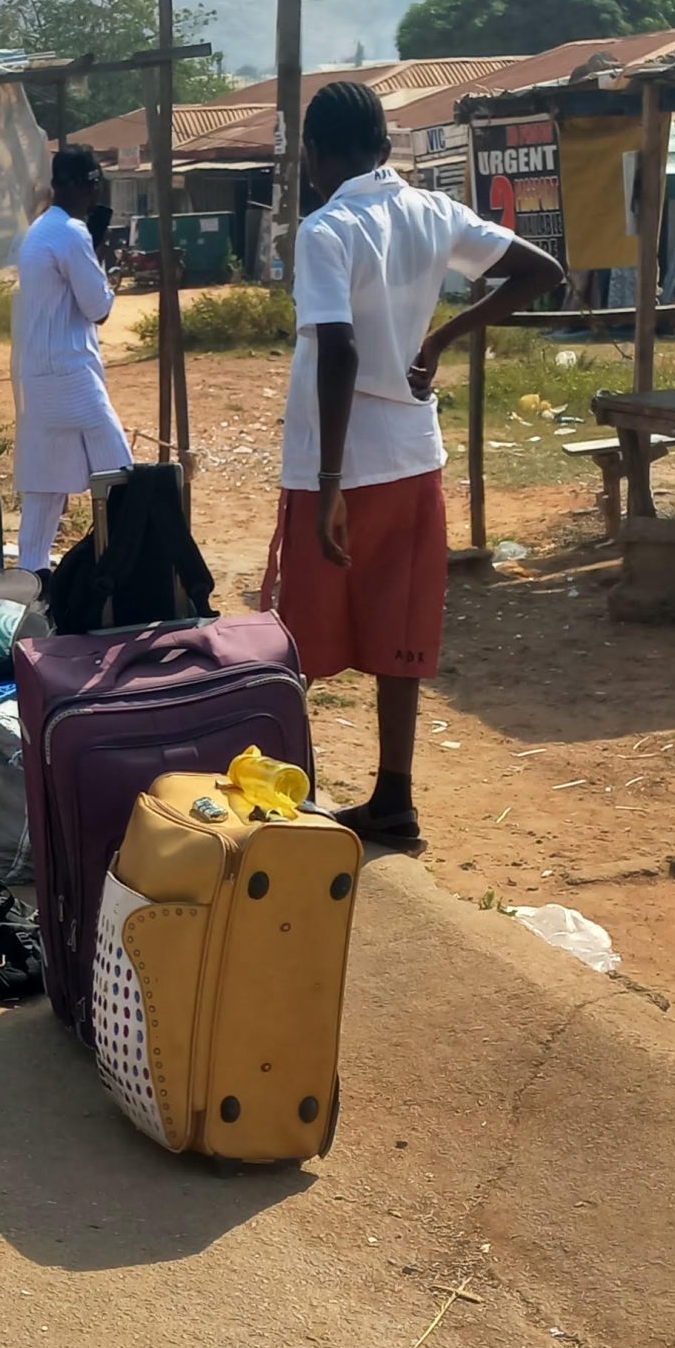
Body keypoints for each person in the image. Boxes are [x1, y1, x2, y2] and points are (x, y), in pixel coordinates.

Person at [264, 79, 562, 851]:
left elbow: (339, 347)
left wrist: (329, 485)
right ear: (387, 148)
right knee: (399, 631)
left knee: (294, 638)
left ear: (316, 155)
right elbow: (541, 271)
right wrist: (444, 336)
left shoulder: (327, 229)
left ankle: (282, 801)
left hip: (338, 462)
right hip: (411, 454)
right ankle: (393, 798)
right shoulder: (432, 213)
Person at [10, 146, 130, 571]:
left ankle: (30, 587)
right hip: (71, 375)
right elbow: (98, 307)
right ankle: (128, 572)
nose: (97, 195)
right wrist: (100, 256)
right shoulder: (71, 234)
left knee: (44, 494)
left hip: (40, 377)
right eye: (95, 185)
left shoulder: (41, 229)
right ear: (80, 185)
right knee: (123, 479)